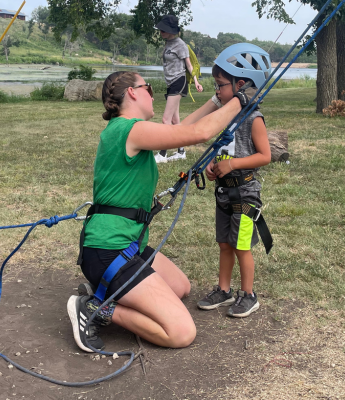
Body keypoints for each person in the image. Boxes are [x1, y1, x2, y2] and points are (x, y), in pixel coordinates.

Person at [68, 71, 249, 352]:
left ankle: (106, 292)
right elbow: (197, 133)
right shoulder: (128, 128)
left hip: (127, 244)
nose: (153, 94)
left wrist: (217, 100)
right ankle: (96, 307)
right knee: (181, 333)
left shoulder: (131, 130)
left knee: (180, 287)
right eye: (148, 88)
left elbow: (183, 129)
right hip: (109, 250)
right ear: (132, 92)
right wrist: (241, 99)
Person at [181, 43, 272, 318]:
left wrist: (233, 165)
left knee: (241, 246)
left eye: (220, 85)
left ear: (240, 84)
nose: (216, 91)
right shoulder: (226, 118)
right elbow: (223, 150)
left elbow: (265, 156)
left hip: (245, 195)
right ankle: (224, 290)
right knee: (224, 244)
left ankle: (249, 295)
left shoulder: (254, 119)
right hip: (223, 192)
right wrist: (214, 166)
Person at [153, 14, 203, 163]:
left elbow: (189, 65)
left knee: (165, 119)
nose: (160, 32)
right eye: (160, 30)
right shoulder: (168, 42)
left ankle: (162, 154)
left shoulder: (180, 44)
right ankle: (181, 151)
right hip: (170, 83)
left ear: (171, 30)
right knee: (175, 121)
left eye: (163, 30)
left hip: (178, 81)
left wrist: (196, 81)